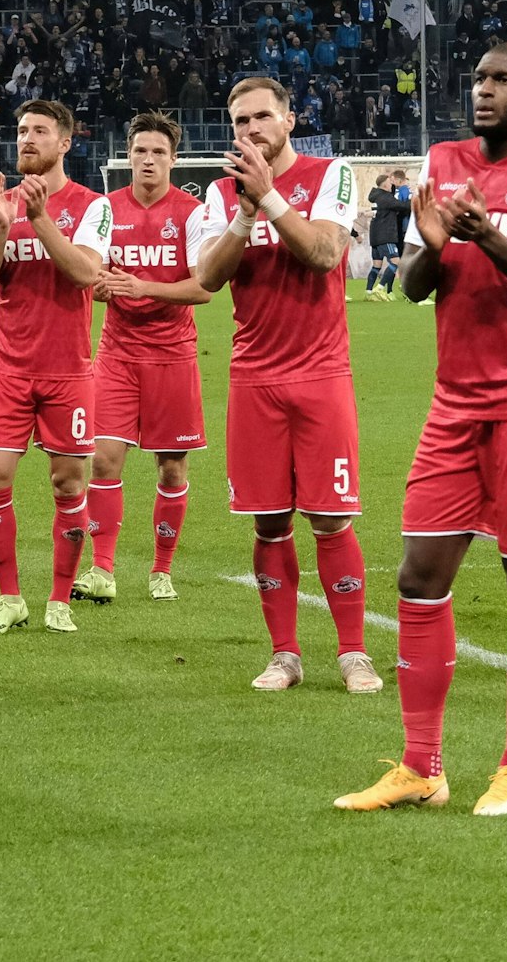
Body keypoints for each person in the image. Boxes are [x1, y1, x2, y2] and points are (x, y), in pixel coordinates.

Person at [332, 42, 507, 817]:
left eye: (502, 80)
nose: (484, 90)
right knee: (419, 576)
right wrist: (438, 245)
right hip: (454, 404)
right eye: (479, 78)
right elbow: (416, 286)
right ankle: (421, 765)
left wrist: (490, 237)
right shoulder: (442, 162)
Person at [189, 77, 379, 694]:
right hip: (253, 379)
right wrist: (244, 218)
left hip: (322, 375)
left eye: (263, 117)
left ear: (290, 119)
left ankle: (354, 653)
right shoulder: (219, 195)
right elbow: (208, 279)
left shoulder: (332, 175)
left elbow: (325, 254)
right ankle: (284, 654)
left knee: (330, 519)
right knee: (268, 523)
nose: (252, 130)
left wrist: (271, 201)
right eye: (240, 121)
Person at [0, 100, 110, 636]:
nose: (27, 138)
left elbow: (86, 277)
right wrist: (2, 228)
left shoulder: (92, 206)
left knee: (69, 484)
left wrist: (40, 220)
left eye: (39, 131)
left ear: (64, 142)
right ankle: (9, 598)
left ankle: (57, 600)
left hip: (69, 373)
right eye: (22, 130)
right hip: (8, 369)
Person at [73, 112, 212, 605]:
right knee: (104, 461)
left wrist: (139, 286)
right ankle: (102, 569)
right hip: (116, 352)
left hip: (173, 355)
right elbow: (86, 273)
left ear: (173, 158)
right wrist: (104, 287)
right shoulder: (105, 209)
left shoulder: (192, 212)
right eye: (139, 152)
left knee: (171, 469)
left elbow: (203, 288)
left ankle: (161, 570)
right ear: (127, 157)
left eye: (157, 152)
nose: (147, 160)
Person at [364, 168, 409, 300]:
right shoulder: (385, 198)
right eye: (390, 183)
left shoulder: (378, 196)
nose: (392, 185)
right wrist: (416, 201)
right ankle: (380, 288)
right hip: (386, 235)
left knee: (376, 265)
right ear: (384, 185)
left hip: (375, 236)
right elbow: (402, 206)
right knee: (396, 262)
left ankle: (368, 292)